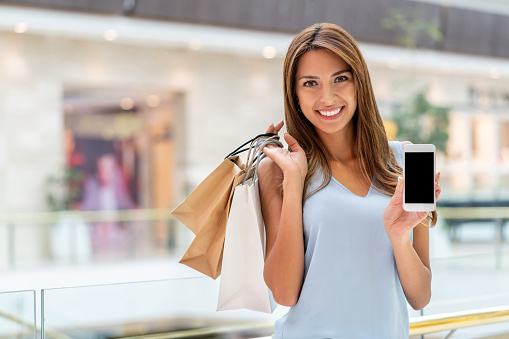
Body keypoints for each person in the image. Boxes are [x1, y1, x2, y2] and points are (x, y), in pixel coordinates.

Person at [258, 23, 441, 338]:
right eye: (310, 83)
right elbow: (285, 294)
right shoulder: (277, 170)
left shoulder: (414, 161)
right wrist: (294, 181)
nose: (327, 97)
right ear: (294, 94)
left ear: (360, 83)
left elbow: (420, 296)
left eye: (340, 79)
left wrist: (399, 238)